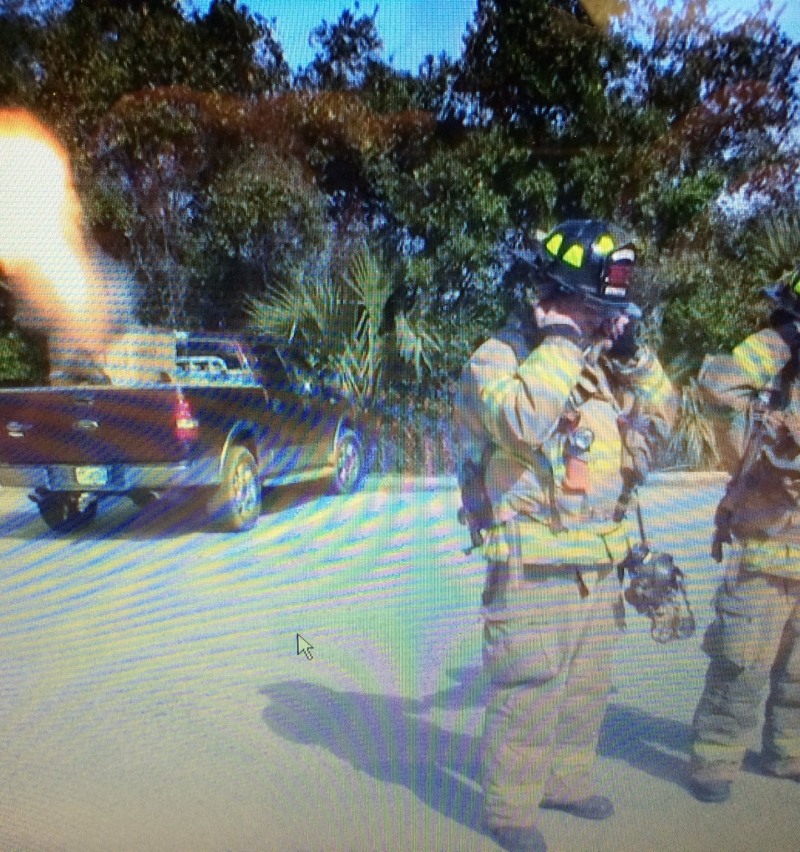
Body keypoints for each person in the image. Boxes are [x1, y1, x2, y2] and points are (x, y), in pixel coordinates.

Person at [455, 220, 678, 852]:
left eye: (610, 311)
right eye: (594, 308)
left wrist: (633, 355)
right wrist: (559, 341)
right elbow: (522, 423)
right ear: (556, 298)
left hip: (598, 562)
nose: (605, 321)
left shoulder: (600, 366)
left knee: (586, 687)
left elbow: (666, 418)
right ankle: (510, 809)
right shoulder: (500, 357)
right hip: (535, 563)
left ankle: (565, 783)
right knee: (530, 688)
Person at [689, 268, 800, 804]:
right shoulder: (772, 370)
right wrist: (785, 339)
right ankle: (715, 760)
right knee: (741, 664)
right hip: (764, 548)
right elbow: (716, 383)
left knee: (799, 671)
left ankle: (789, 753)